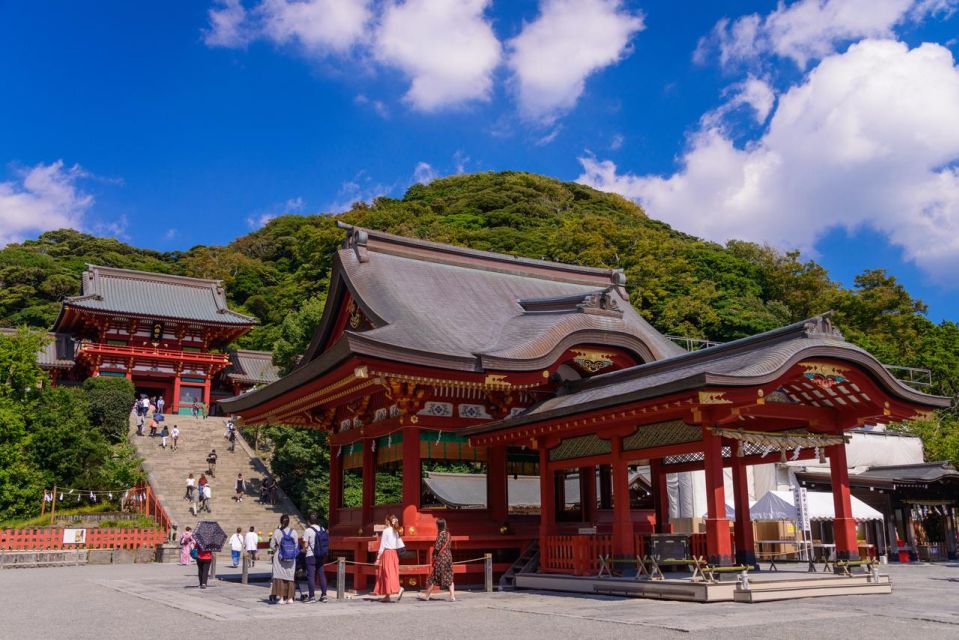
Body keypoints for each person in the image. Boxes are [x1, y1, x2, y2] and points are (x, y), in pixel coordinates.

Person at [420, 519, 455, 601]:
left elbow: (437, 547)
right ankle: (452, 596)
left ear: (438, 526)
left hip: (441, 557)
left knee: (434, 577)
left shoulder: (441, 535)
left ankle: (427, 596)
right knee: (449, 576)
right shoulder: (448, 534)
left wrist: (433, 555)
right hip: (448, 556)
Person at [374, 514, 405, 603]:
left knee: (387, 574)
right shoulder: (396, 530)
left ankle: (398, 589)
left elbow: (382, 545)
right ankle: (387, 595)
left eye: (385, 520)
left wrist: (378, 557)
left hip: (387, 553)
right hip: (394, 553)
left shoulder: (386, 531)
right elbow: (399, 543)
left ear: (388, 521)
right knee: (392, 573)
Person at [269, 514, 299, 605]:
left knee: (280, 577)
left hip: (279, 557)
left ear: (281, 522)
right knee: (290, 577)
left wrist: (277, 550)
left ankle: (281, 598)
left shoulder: (277, 532)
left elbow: (271, 545)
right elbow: (296, 545)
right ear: (289, 522)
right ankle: (290, 598)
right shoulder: (294, 532)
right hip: (291, 557)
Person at [302, 513, 329, 603]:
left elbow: (306, 546)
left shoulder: (308, 530)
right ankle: (324, 595)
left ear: (309, 521)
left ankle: (312, 597)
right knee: (321, 574)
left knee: (311, 576)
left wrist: (302, 551)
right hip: (321, 555)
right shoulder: (323, 529)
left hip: (311, 555)